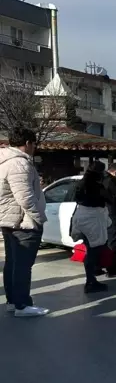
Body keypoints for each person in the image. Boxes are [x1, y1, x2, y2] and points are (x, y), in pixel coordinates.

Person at [0, 127, 49, 317]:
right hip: (23, 222)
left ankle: (13, 301)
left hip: (10, 220)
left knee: (12, 263)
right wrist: (38, 217)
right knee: (22, 265)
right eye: (34, 143)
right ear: (28, 143)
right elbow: (25, 197)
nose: (34, 147)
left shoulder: (5, 161)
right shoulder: (19, 164)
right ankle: (22, 305)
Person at [70, 161, 111, 294]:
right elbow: (109, 198)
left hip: (81, 216)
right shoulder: (97, 185)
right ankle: (90, 281)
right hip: (93, 218)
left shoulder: (82, 182)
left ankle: (91, 279)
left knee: (89, 249)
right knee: (93, 251)